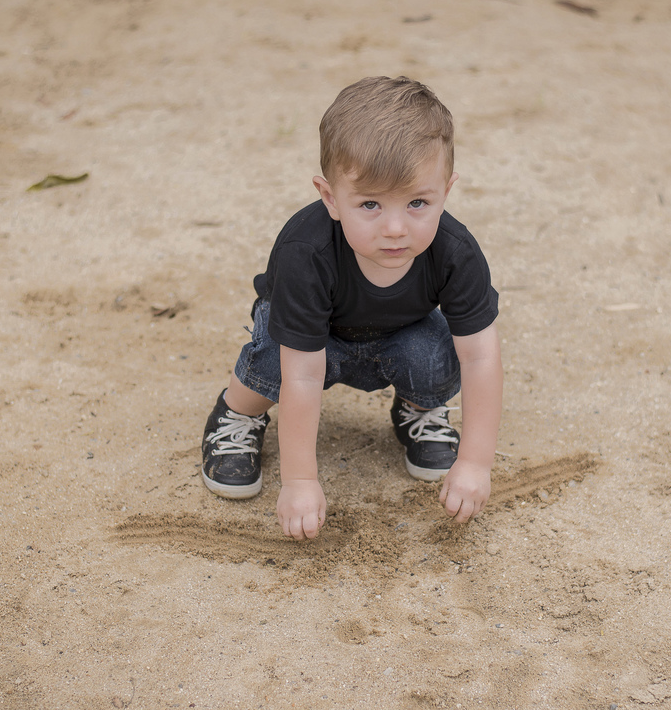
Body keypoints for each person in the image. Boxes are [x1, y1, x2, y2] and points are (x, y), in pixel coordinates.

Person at [200, 76, 502, 541]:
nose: (396, 228)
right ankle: (238, 413)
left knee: (437, 351)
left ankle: (419, 409)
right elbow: (303, 373)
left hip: (401, 331)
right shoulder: (307, 252)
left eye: (418, 202)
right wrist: (300, 481)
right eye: (371, 204)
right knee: (275, 359)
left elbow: (480, 356)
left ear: (447, 190)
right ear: (331, 198)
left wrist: (476, 463)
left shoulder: (456, 251)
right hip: (312, 341)